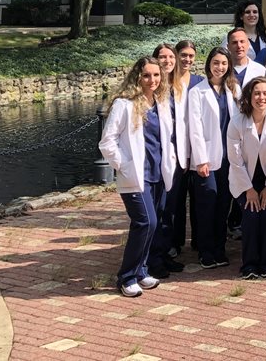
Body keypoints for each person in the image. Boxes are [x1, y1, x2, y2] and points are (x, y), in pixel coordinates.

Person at [99, 56, 177, 297]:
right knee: (146, 222)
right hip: (136, 175)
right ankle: (126, 277)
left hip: (158, 174)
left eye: (156, 75)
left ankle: (142, 271)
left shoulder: (161, 102)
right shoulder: (125, 104)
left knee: (152, 225)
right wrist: (123, 165)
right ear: (137, 77)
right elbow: (107, 142)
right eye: (146, 75)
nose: (152, 80)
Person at [227, 77, 266, 280]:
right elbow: (235, 160)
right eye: (256, 93)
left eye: (265, 93)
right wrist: (248, 190)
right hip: (245, 182)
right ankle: (249, 265)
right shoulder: (237, 122)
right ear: (249, 96)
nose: (261, 97)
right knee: (251, 216)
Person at [187, 47, 239, 269]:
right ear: (209, 64)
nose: (220, 67)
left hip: (228, 158)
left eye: (224, 63)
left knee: (223, 205)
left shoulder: (232, 89)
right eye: (216, 63)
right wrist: (200, 160)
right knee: (207, 202)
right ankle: (206, 251)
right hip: (207, 158)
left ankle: (219, 249)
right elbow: (195, 128)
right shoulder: (196, 92)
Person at [158, 39, 205, 264]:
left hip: (197, 151)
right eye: (183, 55)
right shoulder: (167, 82)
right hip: (174, 151)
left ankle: (198, 239)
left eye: (190, 56)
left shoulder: (199, 82)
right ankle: (173, 243)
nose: (186, 59)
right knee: (174, 200)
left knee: (198, 198)